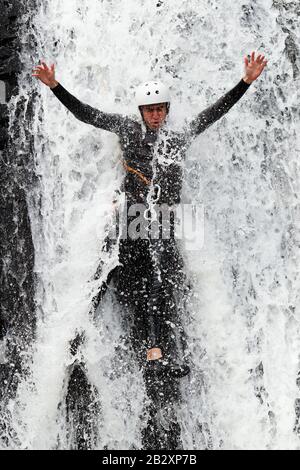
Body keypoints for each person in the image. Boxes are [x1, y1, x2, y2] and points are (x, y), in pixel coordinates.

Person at [32, 52, 268, 378]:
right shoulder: (128, 130)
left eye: (160, 109)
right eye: (149, 110)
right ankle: (75, 337)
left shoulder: (178, 138)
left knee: (162, 280)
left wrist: (245, 82)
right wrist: (55, 86)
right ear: (141, 112)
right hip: (132, 217)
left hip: (163, 221)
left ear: (167, 111)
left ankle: (155, 354)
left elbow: (215, 112)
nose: (155, 115)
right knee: (117, 273)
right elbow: (89, 115)